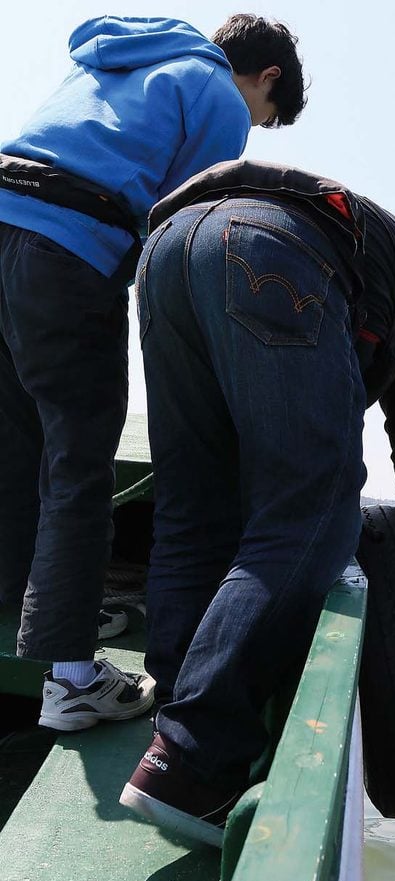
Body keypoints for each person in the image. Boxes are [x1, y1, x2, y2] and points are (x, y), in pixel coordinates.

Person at [119, 160, 395, 846]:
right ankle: (193, 761)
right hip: (265, 251)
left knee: (191, 512)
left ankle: (175, 722)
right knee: (313, 510)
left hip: (166, 253)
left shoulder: (353, 236)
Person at [0, 14, 306, 732]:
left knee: (15, 449)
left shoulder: (113, 60)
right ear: (266, 80)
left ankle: (26, 608)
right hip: (63, 254)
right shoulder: (221, 97)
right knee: (78, 462)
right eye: (266, 116)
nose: (251, 125)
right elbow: (177, 233)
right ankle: (71, 679)